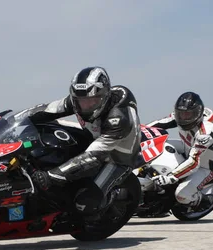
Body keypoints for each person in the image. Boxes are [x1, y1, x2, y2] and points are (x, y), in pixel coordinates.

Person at [25, 66, 141, 215]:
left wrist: (51, 176)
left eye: (92, 101)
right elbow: (47, 109)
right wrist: (12, 121)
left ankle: (113, 196)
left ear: (105, 96)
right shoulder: (78, 100)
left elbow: (93, 156)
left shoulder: (118, 119)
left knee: (84, 204)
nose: (85, 106)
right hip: (92, 137)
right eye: (81, 101)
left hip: (117, 156)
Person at [147, 91, 213, 211]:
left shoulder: (205, 135)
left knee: (181, 196)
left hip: (204, 165)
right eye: (181, 114)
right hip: (186, 147)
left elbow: (193, 162)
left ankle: (200, 200)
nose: (184, 118)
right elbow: (161, 123)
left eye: (188, 115)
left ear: (198, 113)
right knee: (154, 146)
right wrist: (140, 130)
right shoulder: (181, 115)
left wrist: (171, 177)